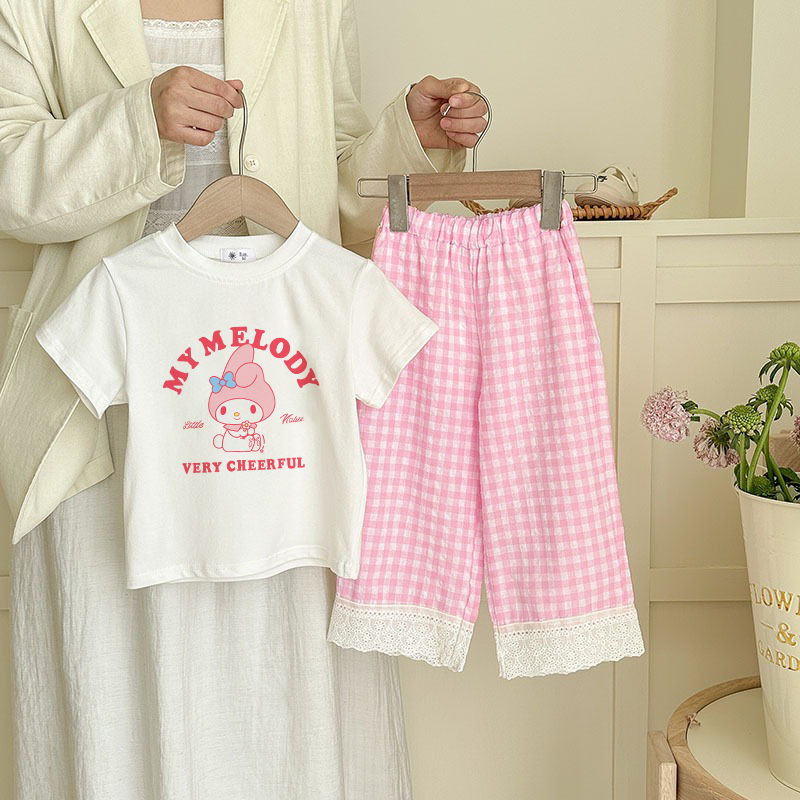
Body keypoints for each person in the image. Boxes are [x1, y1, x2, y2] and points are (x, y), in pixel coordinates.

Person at [0, 1, 487, 797]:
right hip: (98, 411)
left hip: (287, 405)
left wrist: (410, 137)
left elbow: (334, 191)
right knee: (116, 707)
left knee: (290, 708)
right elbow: (8, 182)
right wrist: (137, 124)